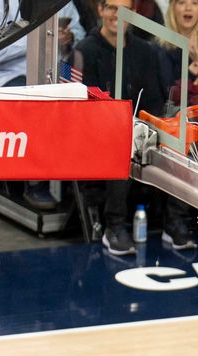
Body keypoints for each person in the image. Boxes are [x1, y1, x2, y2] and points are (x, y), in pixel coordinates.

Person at [74, 0, 180, 254]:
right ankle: (114, 226)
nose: (117, 15)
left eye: (125, 10)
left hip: (139, 129)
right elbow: (75, 104)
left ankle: (175, 222)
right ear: (100, 10)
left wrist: (152, 129)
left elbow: (154, 101)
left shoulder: (146, 51)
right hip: (97, 135)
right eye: (111, 7)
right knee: (120, 143)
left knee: (179, 140)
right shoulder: (82, 51)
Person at [0, 0, 84, 210]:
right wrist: (42, 37)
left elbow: (79, 29)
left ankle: (85, 179)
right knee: (37, 101)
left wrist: (70, 36)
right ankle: (35, 182)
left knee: (83, 91)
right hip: (6, 74)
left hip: (57, 65)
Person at [158, 0, 198, 89]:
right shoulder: (161, 49)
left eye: (194, 3)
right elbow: (170, 94)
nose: (188, 8)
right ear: (173, 9)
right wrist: (196, 64)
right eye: (182, 2)